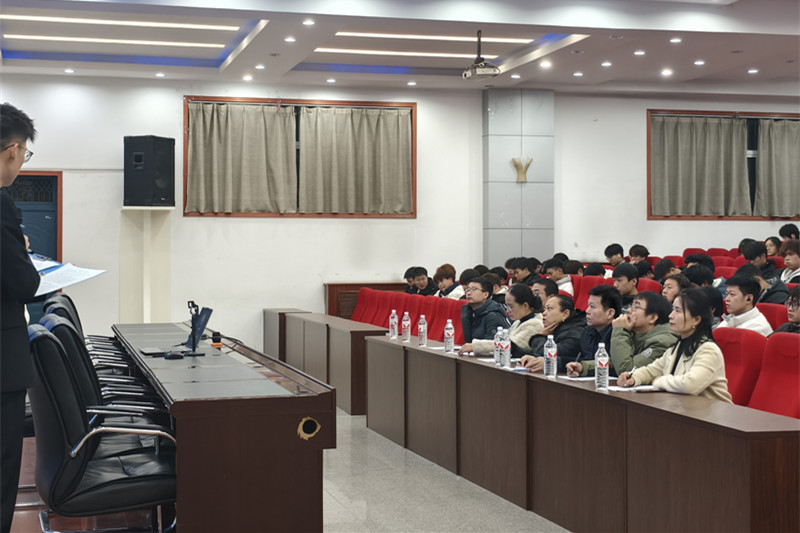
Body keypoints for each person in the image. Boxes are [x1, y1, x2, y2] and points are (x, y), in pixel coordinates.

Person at [1, 102, 40, 533]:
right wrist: (22, 253)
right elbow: (24, 285)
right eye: (25, 154)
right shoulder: (1, 205)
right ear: (13, 150)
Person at [617, 289, 732, 403]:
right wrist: (633, 377)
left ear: (696, 319)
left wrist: (659, 381)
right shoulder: (677, 346)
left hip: (713, 412)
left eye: (678, 311)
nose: (671, 316)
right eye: (672, 309)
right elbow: (652, 370)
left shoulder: (708, 350)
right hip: (686, 409)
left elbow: (689, 385)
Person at [568, 291, 675, 377]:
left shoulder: (662, 342)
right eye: (631, 306)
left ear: (652, 317)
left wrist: (620, 330)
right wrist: (584, 367)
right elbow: (617, 361)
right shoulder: (637, 333)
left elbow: (626, 370)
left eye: (636, 307)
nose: (629, 310)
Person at [466, 284, 543, 357]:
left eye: (511, 307)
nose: (507, 311)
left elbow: (509, 345)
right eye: (507, 306)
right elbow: (502, 340)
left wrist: (475, 346)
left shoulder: (534, 325)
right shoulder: (518, 322)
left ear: (525, 305)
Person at [518, 295, 586, 373]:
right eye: (544, 309)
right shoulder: (556, 330)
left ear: (565, 314)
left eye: (549, 309)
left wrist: (540, 336)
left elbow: (549, 355)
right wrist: (531, 357)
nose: (544, 313)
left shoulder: (574, 333)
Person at [459, 277, 510, 354]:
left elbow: (492, 347)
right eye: (467, 289)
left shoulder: (493, 315)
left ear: (485, 295)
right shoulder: (469, 312)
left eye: (474, 289)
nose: (468, 293)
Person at [577, 285, 621, 370]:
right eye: (588, 306)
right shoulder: (588, 331)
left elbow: (612, 366)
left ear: (610, 313)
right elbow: (585, 359)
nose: (587, 311)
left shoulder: (619, 335)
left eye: (592, 307)